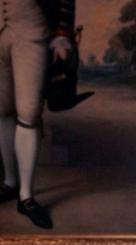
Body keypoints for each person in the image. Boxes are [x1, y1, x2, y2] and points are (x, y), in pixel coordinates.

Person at [0, 0, 77, 230]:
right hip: (4, 34)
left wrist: (62, 33)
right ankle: (10, 182)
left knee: (29, 114)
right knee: (3, 110)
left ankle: (26, 197)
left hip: (33, 32)